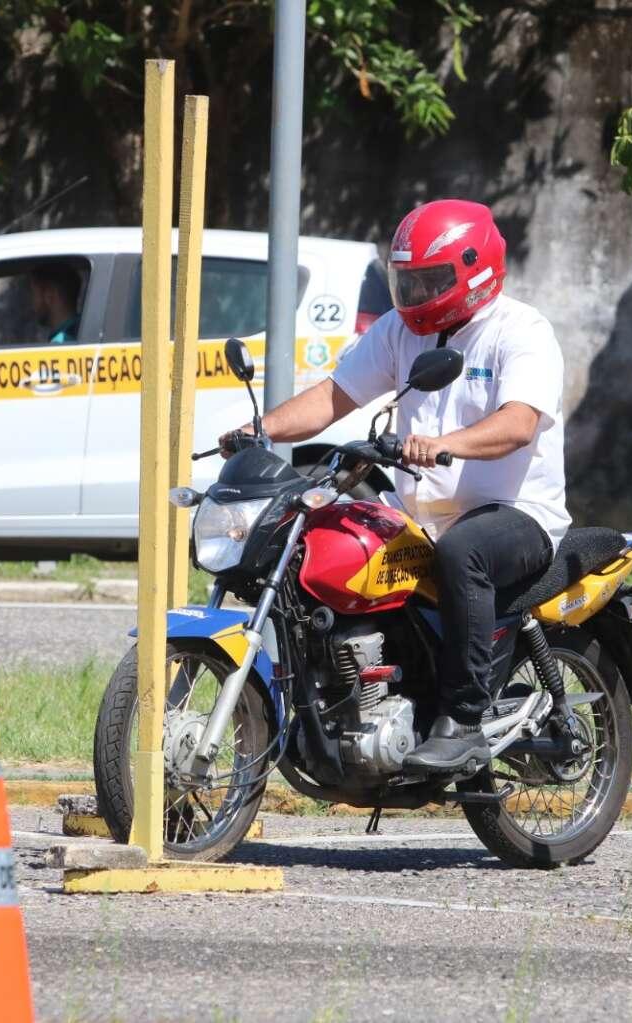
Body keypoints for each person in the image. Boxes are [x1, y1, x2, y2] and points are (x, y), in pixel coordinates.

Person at [219, 199, 569, 772]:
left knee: (465, 552)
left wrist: (446, 443)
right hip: (416, 507)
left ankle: (462, 720)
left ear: (475, 272)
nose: (414, 294)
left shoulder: (520, 331)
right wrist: (260, 429)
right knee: (315, 535)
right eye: (407, 280)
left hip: (515, 512)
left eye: (430, 280)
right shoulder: (397, 331)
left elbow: (519, 422)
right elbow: (334, 398)